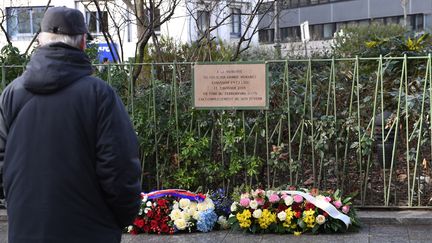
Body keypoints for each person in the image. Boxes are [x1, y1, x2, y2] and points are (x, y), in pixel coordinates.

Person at [0, 7, 142, 243]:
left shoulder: (11, 94)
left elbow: (2, 162)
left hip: (27, 229)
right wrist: (122, 217)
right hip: (91, 230)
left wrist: (20, 206)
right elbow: (119, 167)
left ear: (40, 40)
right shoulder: (99, 95)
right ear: (83, 42)